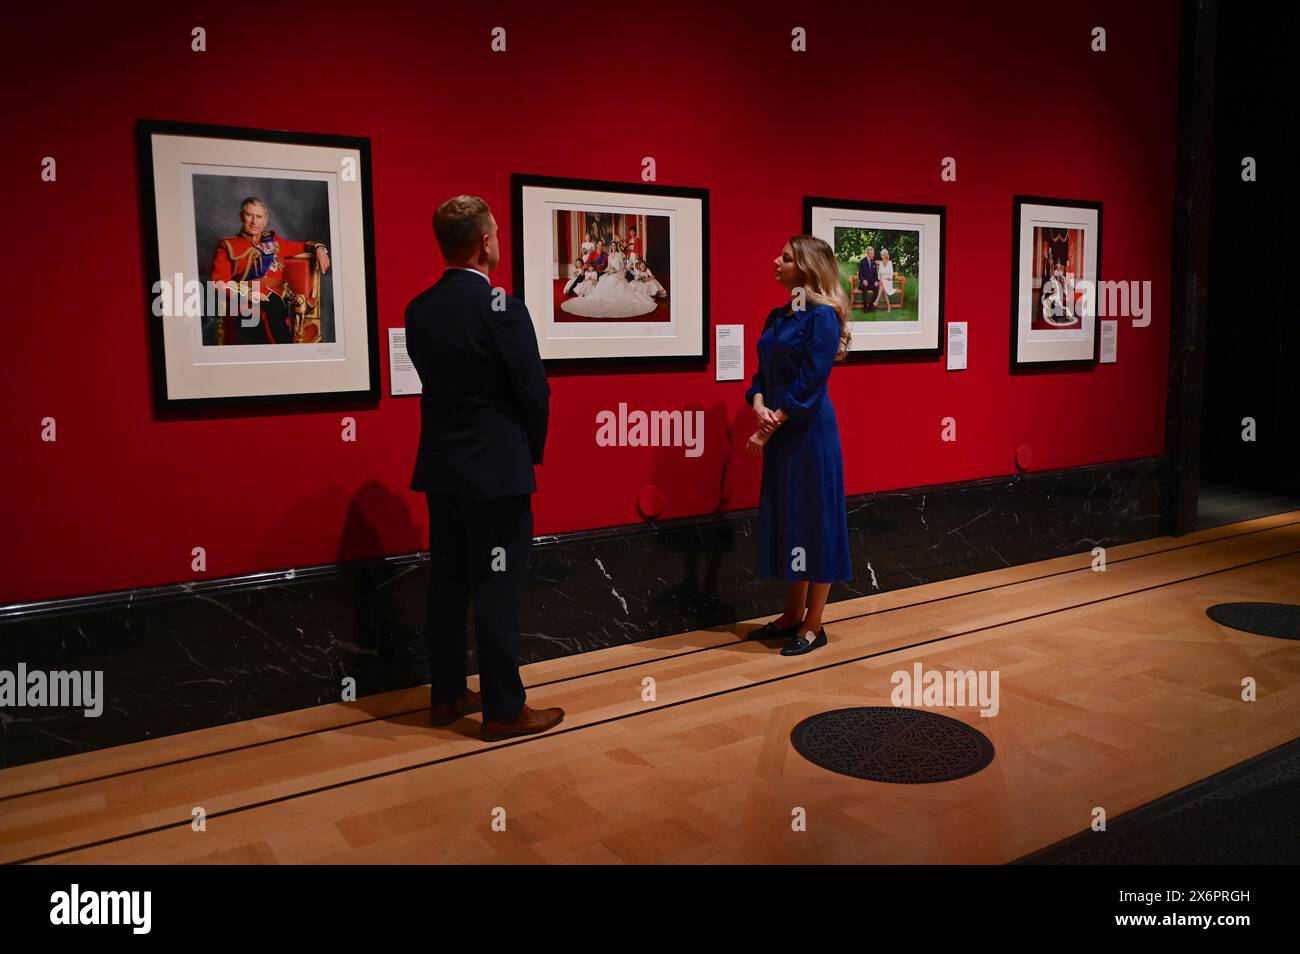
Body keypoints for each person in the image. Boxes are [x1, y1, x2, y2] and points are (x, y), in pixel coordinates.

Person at [404, 194, 564, 742]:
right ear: (483, 243)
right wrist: (529, 449)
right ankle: (503, 708)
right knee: (498, 586)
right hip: (496, 470)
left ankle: (447, 694)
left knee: (447, 583)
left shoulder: (418, 309)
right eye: (494, 233)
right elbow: (533, 391)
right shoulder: (502, 308)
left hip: (442, 467)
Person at [744, 235, 852, 655]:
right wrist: (757, 403)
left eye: (785, 257)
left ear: (805, 269)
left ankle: (813, 622)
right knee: (792, 521)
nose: (776, 260)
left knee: (816, 523)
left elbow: (811, 381)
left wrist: (768, 426)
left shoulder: (822, 318)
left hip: (810, 435)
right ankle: (791, 612)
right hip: (781, 429)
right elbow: (760, 376)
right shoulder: (777, 316)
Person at [209, 196, 330, 345]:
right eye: (249, 215)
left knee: (274, 305)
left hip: (278, 298)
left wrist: (319, 248)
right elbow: (218, 283)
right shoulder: (227, 245)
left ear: (265, 220)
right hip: (245, 299)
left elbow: (303, 246)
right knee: (264, 313)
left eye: (258, 216)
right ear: (242, 216)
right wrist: (247, 295)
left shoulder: (273, 242)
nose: (254, 221)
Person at [856, 245, 879, 312]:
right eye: (872, 254)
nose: (873, 255)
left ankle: (871, 306)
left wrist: (876, 281)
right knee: (864, 287)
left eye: (873, 254)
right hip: (864, 283)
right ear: (868, 254)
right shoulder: (862, 262)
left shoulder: (873, 262)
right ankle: (865, 306)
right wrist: (863, 280)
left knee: (877, 288)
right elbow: (860, 274)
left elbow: (875, 274)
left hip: (871, 283)